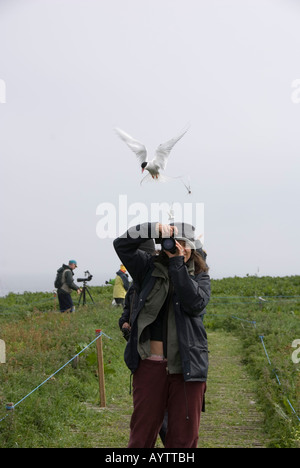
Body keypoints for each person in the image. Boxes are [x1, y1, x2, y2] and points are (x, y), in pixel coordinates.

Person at [113, 222, 210, 448]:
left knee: (183, 440)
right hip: (150, 365)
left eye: (182, 243)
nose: (176, 247)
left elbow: (195, 304)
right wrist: (153, 229)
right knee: (141, 436)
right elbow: (122, 245)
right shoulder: (147, 268)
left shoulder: (200, 276)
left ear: (192, 247)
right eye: (173, 242)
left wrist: (178, 264)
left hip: (188, 369)